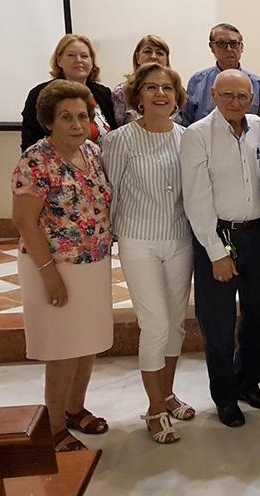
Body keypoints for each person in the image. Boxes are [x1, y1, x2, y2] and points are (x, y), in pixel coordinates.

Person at [12, 80, 114, 452]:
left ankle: (75, 409)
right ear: (49, 121)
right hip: (54, 265)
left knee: (86, 343)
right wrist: (49, 275)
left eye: (82, 117)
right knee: (63, 348)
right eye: (66, 117)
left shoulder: (92, 152)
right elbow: (24, 221)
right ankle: (54, 428)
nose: (76, 124)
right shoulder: (37, 159)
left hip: (93, 263)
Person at [180, 69, 260, 428]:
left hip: (259, 235)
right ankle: (224, 397)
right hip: (219, 235)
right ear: (214, 95)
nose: (236, 102)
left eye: (242, 96)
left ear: (252, 97)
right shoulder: (197, 135)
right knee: (219, 323)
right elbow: (196, 198)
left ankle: (248, 382)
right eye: (228, 95)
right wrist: (216, 252)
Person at [100, 63, 194, 444]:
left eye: (167, 88)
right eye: (152, 87)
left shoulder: (187, 138)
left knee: (175, 324)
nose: (160, 94)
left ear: (177, 96)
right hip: (138, 240)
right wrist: (108, 240)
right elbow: (110, 192)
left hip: (179, 239)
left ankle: (167, 394)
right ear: (137, 95)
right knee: (154, 324)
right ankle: (154, 409)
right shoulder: (120, 140)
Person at [21, 34, 118, 152]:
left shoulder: (103, 93)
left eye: (84, 56)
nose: (79, 60)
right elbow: (30, 142)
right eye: (71, 55)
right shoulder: (40, 94)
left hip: (103, 162)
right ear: (59, 61)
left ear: (92, 61)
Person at [181, 23, 260, 126]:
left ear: (241, 47)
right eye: (221, 43)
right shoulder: (197, 81)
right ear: (212, 47)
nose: (229, 49)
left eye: (234, 43)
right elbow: (186, 122)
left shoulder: (257, 84)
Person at [111, 35, 171, 126]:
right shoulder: (121, 92)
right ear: (137, 58)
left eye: (159, 53)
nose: (153, 56)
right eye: (147, 52)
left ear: (166, 59)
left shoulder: (177, 91)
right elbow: (116, 130)